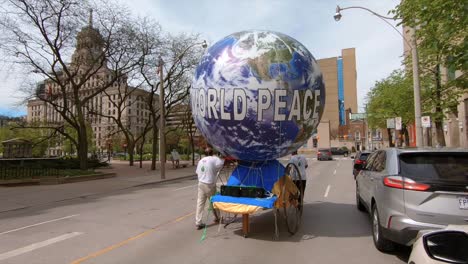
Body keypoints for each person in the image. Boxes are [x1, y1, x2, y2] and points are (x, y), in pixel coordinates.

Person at [195, 147, 224, 230]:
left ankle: (198, 222)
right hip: (209, 184)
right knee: (214, 201)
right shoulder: (214, 159)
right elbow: (223, 163)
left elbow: (197, 172)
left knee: (200, 203)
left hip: (201, 183)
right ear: (212, 153)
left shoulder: (201, 161)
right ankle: (218, 217)